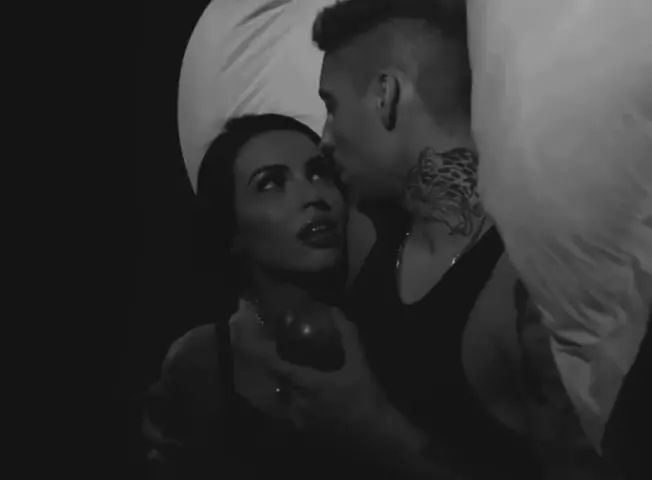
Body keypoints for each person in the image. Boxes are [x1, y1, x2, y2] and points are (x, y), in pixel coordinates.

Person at [229, 1, 613, 479]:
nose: (324, 139)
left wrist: (376, 431)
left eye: (332, 106)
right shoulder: (377, 236)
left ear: (385, 95)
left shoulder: (530, 284)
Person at [143, 113, 377, 479]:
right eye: (270, 184)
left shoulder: (384, 331)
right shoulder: (201, 363)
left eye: (319, 173)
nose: (313, 196)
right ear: (231, 228)